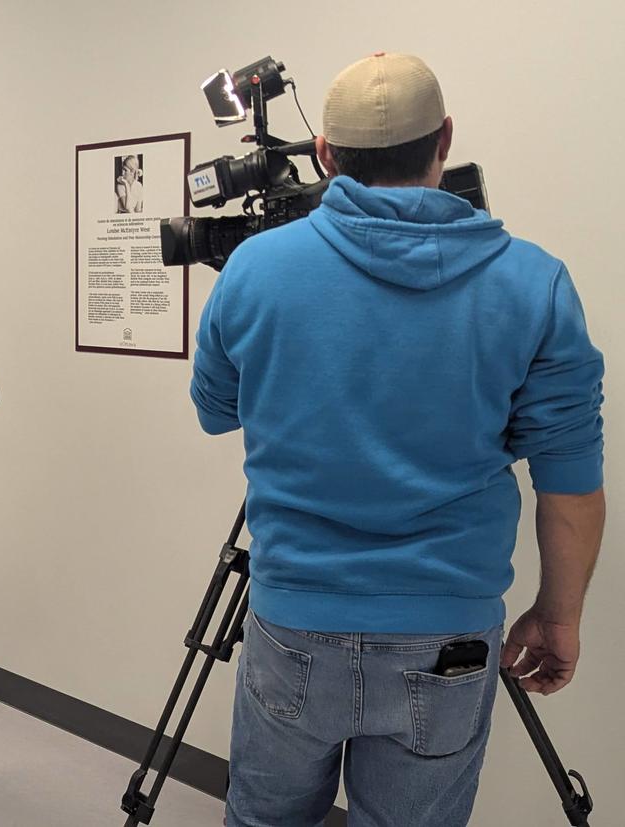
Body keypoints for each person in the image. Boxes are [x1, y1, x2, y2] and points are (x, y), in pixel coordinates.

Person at [189, 53, 606, 826]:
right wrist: (559, 614)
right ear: (445, 138)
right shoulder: (535, 282)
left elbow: (216, 410)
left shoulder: (254, 269)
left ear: (325, 155)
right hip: (448, 629)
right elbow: (570, 479)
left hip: (294, 621)